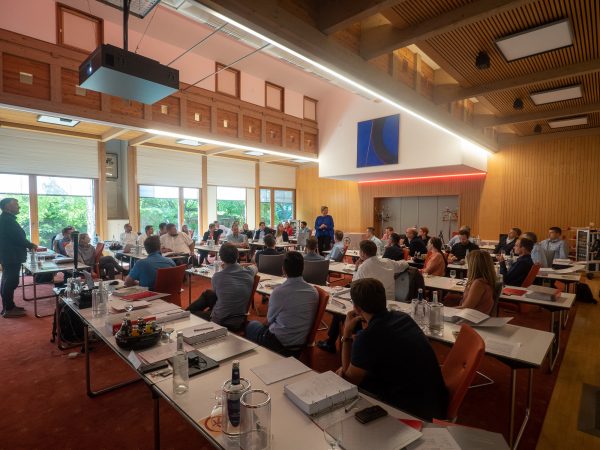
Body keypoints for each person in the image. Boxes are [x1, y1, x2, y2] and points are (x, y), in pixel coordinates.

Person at [336, 278, 448, 421]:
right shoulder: (403, 318)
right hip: (435, 400)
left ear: (357, 308)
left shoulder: (368, 337)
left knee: (343, 381)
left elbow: (349, 381)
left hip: (412, 412)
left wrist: (346, 334)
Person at [318, 240, 409, 353]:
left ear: (363, 253)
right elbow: (405, 264)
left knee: (341, 311)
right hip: (389, 303)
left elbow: (355, 287)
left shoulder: (363, 267)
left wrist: (356, 268)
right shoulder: (388, 262)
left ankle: (334, 342)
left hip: (371, 306)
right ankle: (344, 339)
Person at [246, 251, 319, 355]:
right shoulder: (314, 292)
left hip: (279, 344)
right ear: (303, 268)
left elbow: (269, 321)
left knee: (251, 325)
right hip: (300, 343)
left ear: (283, 269)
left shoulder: (279, 292)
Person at [188, 244, 257, 331]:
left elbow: (217, 294)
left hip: (221, 321)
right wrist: (241, 265)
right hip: (239, 316)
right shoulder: (249, 272)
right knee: (208, 294)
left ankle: (185, 314)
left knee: (191, 313)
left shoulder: (217, 277)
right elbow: (254, 266)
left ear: (221, 258)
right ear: (237, 255)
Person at [0, 198, 37, 318]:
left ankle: (8, 306)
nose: (18, 206)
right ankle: (8, 309)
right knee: (10, 281)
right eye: (15, 204)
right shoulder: (7, 220)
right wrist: (30, 245)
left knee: (7, 280)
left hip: (8, 255)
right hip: (11, 255)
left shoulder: (6, 219)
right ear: (7, 207)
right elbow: (18, 238)